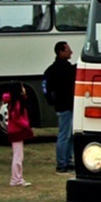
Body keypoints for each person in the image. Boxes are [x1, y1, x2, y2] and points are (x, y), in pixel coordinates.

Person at [43, 41, 76, 174]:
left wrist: (51, 101)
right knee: (64, 135)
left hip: (63, 106)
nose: (71, 52)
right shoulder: (65, 70)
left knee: (69, 135)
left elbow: (45, 87)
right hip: (65, 106)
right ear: (61, 52)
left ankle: (67, 161)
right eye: (68, 50)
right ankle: (62, 163)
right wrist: (53, 101)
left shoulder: (52, 69)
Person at [3, 84, 34, 187]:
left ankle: (17, 178)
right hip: (17, 131)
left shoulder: (13, 102)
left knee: (18, 155)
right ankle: (16, 179)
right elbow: (17, 118)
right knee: (18, 156)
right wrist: (26, 126)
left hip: (14, 131)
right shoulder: (17, 103)